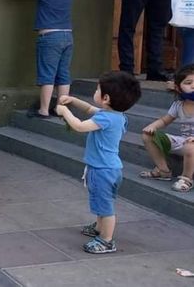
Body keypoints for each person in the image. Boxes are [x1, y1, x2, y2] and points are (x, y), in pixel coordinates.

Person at [55, 71, 142, 254]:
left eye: (97, 90)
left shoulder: (105, 118)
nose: (95, 92)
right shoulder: (116, 115)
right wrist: (73, 101)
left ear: (106, 98)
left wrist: (64, 111)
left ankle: (106, 240)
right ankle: (99, 227)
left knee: (105, 205)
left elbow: (79, 126)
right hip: (110, 168)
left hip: (102, 170)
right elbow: (88, 109)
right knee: (102, 201)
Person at [0, 0, 74, 118]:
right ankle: (61, 108)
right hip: (68, 36)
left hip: (50, 38)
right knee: (63, 74)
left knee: (47, 73)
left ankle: (44, 109)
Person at [138, 64, 194, 192]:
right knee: (148, 135)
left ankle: (186, 179)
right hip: (184, 142)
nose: (193, 86)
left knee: (190, 146)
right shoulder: (178, 105)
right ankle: (163, 170)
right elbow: (165, 120)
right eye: (188, 82)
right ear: (179, 88)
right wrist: (153, 126)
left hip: (191, 146)